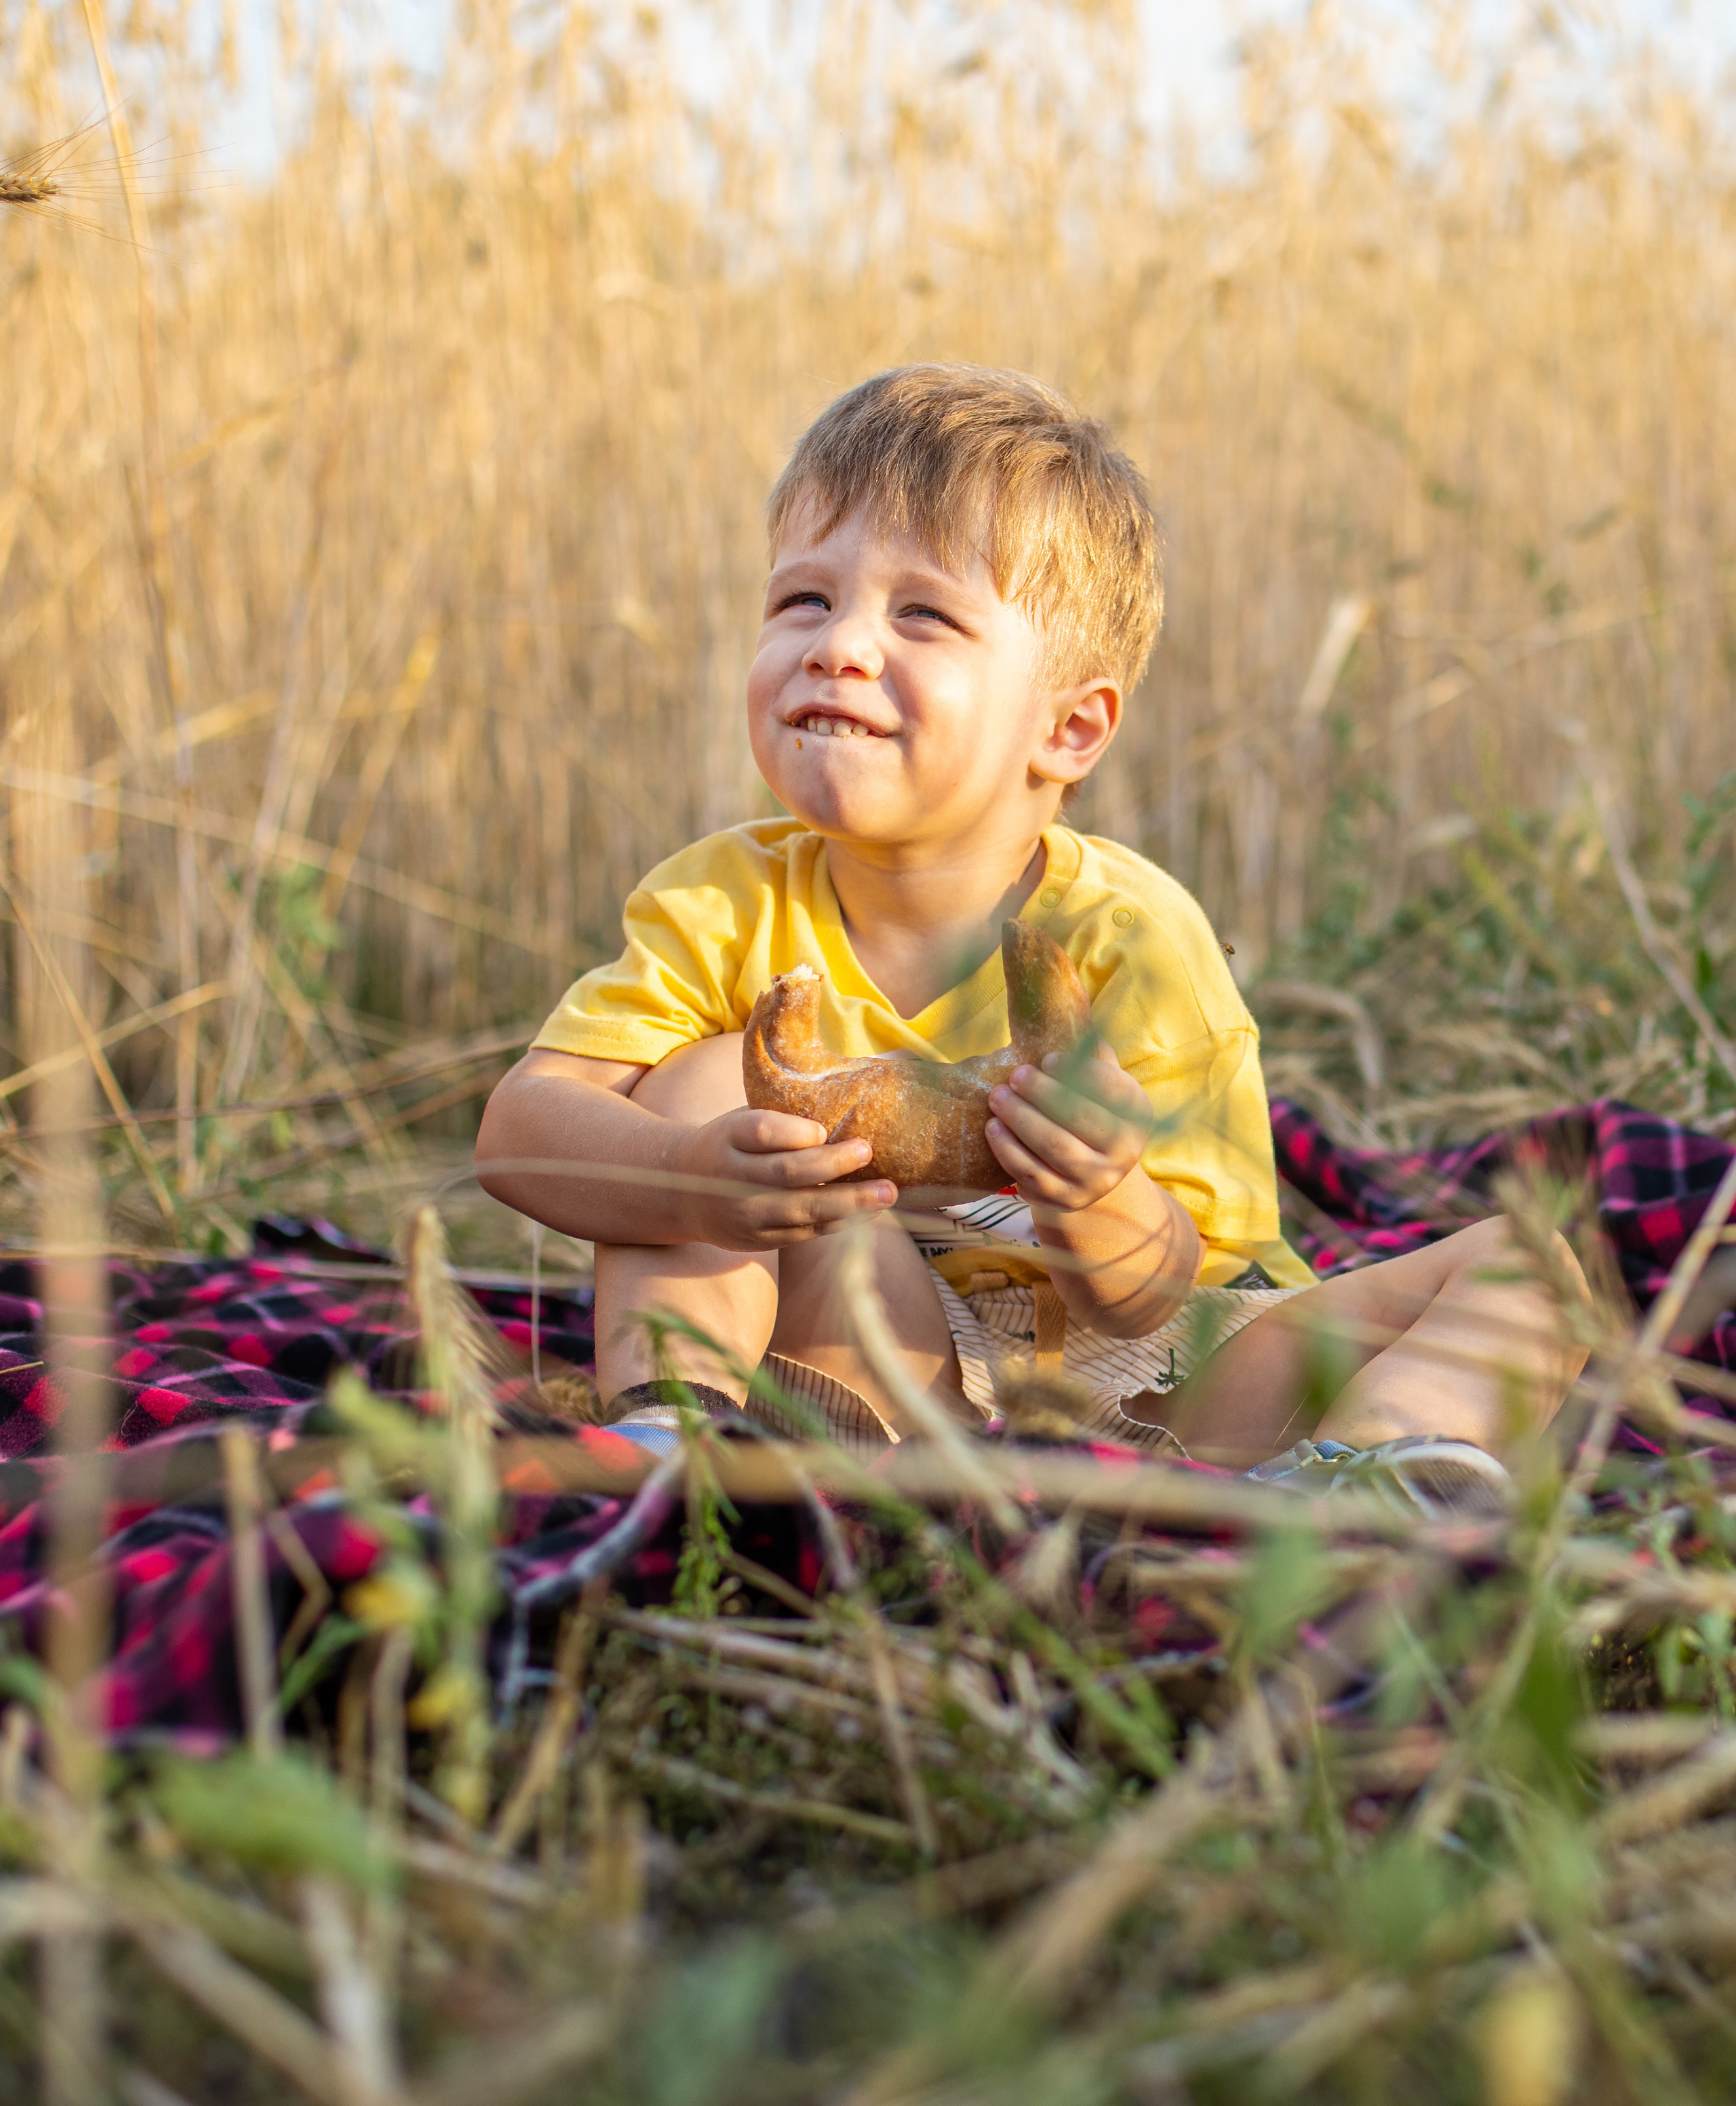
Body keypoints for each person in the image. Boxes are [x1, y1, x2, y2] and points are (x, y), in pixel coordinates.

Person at [476, 364, 1586, 1506]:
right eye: (802, 599)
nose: (839, 644)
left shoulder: (1129, 941)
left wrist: (1097, 1186)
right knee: (703, 1081)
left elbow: (1153, 1289)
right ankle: (673, 1439)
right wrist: (689, 1181)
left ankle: (1373, 1470)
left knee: (1540, 1267)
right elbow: (518, 1132)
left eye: (922, 614)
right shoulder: (725, 899)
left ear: (1067, 728)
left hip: (1170, 1381)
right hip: (890, 1347)